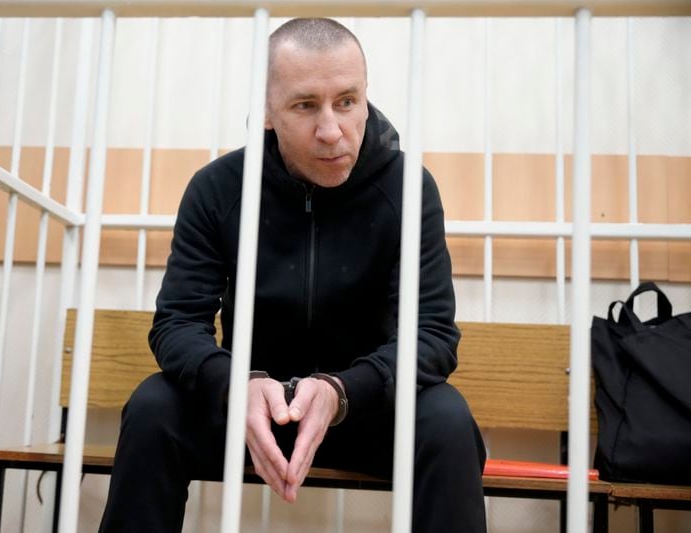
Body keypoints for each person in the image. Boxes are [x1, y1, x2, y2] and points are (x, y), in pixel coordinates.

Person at [99, 18, 486, 532]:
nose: (332, 130)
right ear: (266, 112)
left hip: (361, 408)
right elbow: (176, 324)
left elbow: (434, 336)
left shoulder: (409, 187)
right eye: (305, 106)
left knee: (448, 420)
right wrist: (237, 384)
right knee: (153, 406)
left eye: (347, 101)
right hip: (246, 410)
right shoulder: (218, 189)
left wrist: (339, 390)